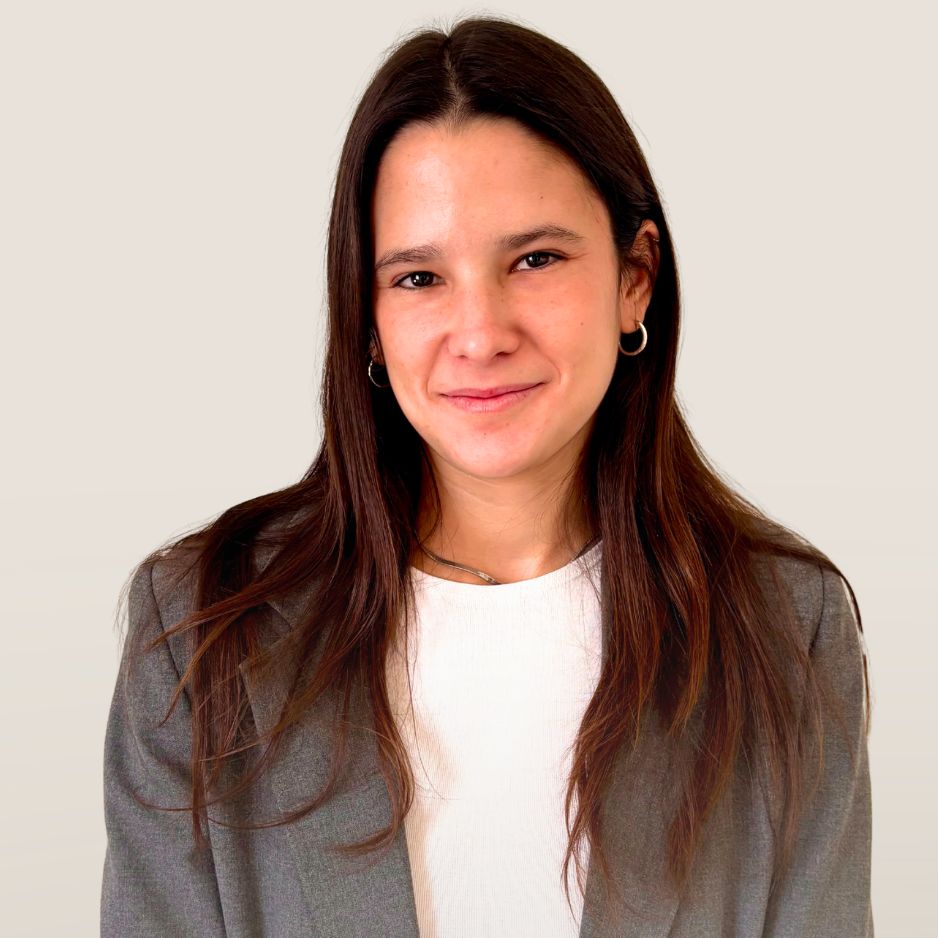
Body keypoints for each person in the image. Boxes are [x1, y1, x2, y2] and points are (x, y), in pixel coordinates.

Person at [100, 14, 873, 938]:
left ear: (635, 278)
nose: (480, 333)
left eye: (535, 259)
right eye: (418, 278)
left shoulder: (785, 629)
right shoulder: (203, 633)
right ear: (368, 316)